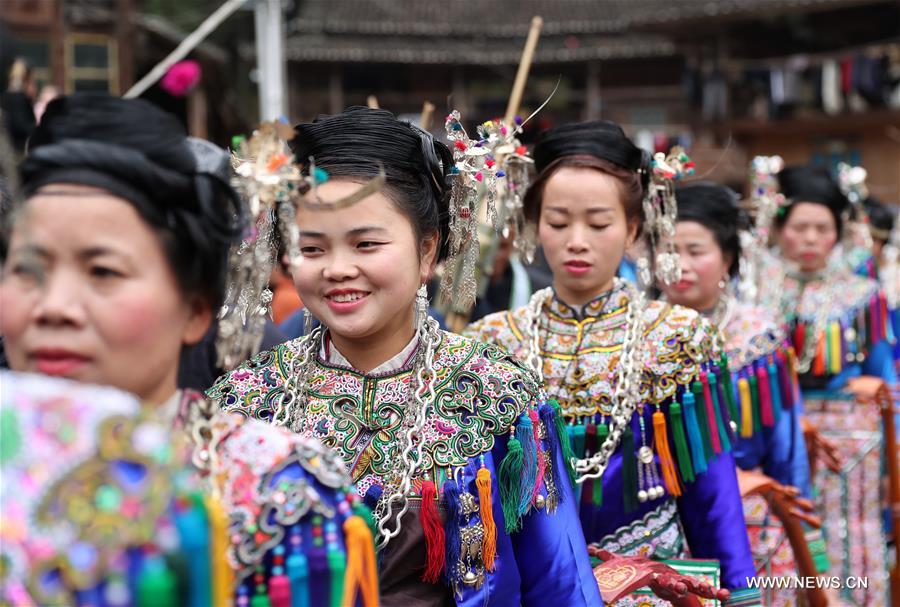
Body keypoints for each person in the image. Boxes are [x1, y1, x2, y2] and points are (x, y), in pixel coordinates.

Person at [207, 107, 604, 607]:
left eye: (366, 243)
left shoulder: (497, 396)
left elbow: (559, 582)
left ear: (427, 251)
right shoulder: (246, 401)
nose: (338, 269)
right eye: (312, 249)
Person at [0, 93, 376, 606]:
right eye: (28, 270)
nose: (54, 307)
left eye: (103, 272)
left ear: (196, 309)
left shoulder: (278, 495)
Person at [464, 121, 760, 606]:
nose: (577, 241)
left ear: (634, 229)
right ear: (534, 225)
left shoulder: (678, 339)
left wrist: (741, 593)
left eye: (599, 224)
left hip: (656, 587)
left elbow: (713, 501)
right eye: (558, 223)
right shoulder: (492, 344)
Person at [757, 164, 897, 605]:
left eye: (823, 228)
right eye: (800, 227)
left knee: (847, 533)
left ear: (839, 232)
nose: (811, 239)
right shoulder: (754, 295)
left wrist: (874, 393)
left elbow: (883, 376)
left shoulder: (861, 294)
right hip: (774, 433)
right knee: (778, 531)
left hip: (849, 442)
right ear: (779, 229)